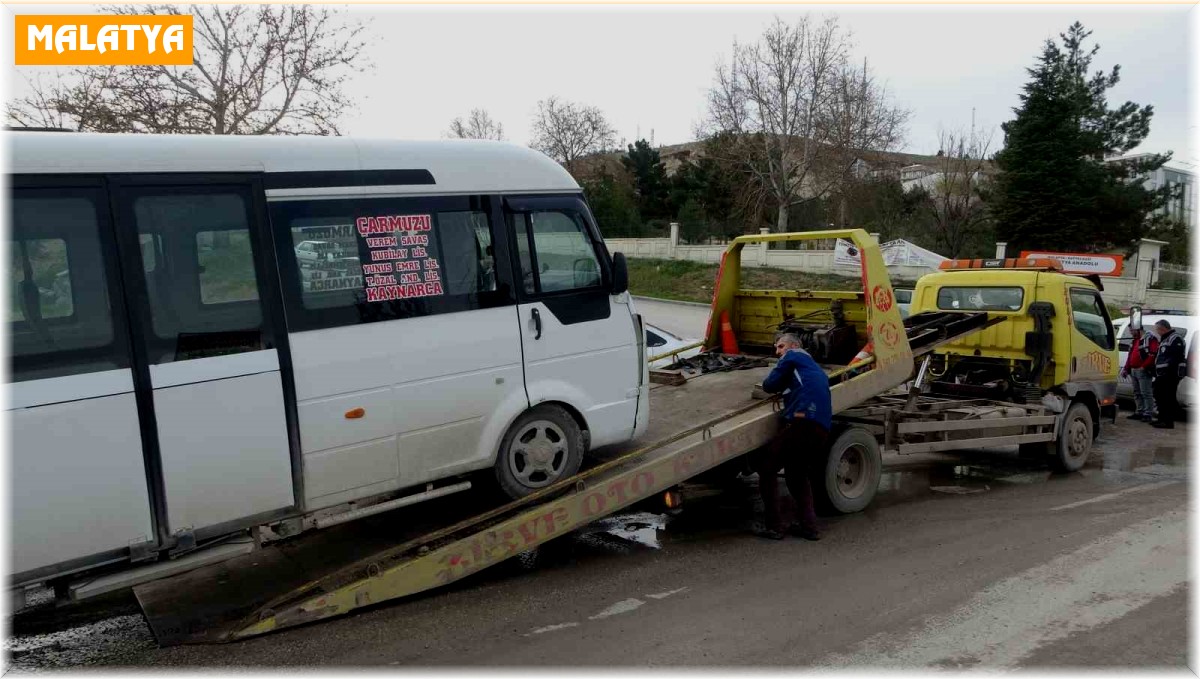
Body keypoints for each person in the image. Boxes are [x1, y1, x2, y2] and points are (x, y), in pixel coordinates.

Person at [753, 333, 833, 541]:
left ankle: (775, 526)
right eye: (776, 348)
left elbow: (769, 385)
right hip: (821, 429)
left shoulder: (792, 356)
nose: (778, 352)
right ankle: (810, 527)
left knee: (767, 468)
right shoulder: (816, 370)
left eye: (780, 346)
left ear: (794, 345)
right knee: (797, 475)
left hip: (802, 423)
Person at [1151, 319, 1186, 429]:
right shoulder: (1165, 338)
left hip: (1170, 375)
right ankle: (1161, 419)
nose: (1157, 332)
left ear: (1163, 328)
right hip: (1161, 374)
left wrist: (1167, 372)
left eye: (1157, 329)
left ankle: (1168, 422)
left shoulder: (1175, 338)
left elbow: (1175, 358)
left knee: (1167, 398)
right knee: (1159, 396)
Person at [1120, 326, 1157, 421]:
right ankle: (1139, 411)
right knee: (1137, 392)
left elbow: (1152, 354)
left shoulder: (1149, 339)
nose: (1131, 332)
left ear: (1138, 329)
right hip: (1134, 369)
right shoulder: (1135, 341)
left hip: (1142, 370)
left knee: (1146, 393)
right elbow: (1130, 355)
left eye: (1132, 330)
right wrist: (1126, 368)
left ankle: (1147, 413)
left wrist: (1143, 366)